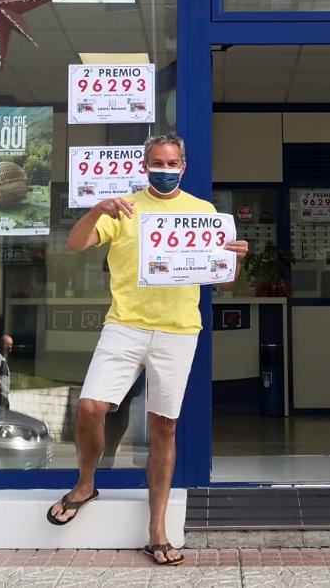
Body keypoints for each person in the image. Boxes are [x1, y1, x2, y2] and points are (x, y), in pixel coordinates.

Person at [46, 134, 248, 567]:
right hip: (125, 326)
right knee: (91, 407)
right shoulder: (123, 208)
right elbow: (75, 244)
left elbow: (220, 279)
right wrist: (98, 208)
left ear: (183, 166)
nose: (164, 167)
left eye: (171, 162)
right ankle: (85, 483)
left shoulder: (204, 212)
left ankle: (157, 528)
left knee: (164, 427)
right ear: (144, 165)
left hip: (179, 331)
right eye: (156, 161)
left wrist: (236, 258)